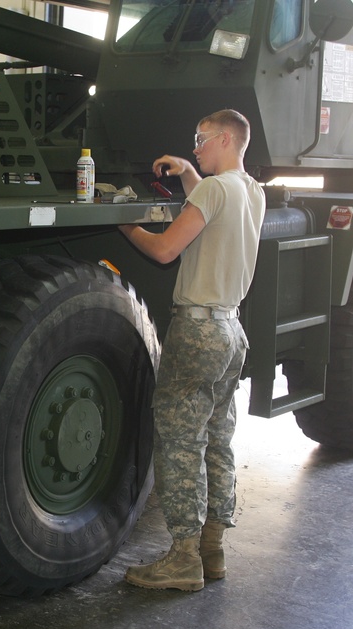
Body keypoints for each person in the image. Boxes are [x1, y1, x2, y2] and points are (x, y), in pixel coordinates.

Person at [118, 109, 265, 591]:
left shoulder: (213, 190)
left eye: (201, 139)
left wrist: (124, 220)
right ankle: (211, 550)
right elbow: (214, 208)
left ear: (226, 137)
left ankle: (182, 558)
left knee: (180, 442)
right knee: (217, 439)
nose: (196, 146)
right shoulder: (251, 192)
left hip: (197, 332)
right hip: (230, 332)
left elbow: (164, 251)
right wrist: (188, 173)